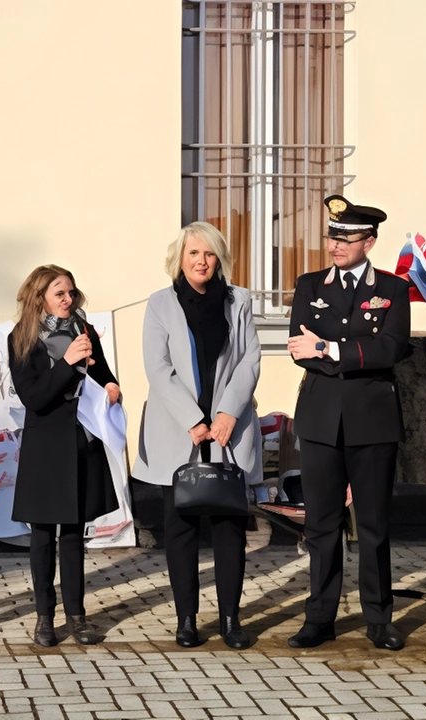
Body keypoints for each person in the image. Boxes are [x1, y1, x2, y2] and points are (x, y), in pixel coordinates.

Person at [286, 194, 412, 652]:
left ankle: (379, 618)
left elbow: (392, 348)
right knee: (321, 525)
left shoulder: (394, 290)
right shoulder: (310, 285)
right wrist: (343, 353)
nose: (336, 244)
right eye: (332, 235)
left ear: (369, 241)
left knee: (374, 525)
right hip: (320, 419)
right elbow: (300, 346)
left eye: (346, 237)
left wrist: (332, 350)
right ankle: (319, 617)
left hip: (373, 419)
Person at [134, 221, 261, 649]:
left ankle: (230, 620)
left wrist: (226, 414)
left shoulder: (239, 300)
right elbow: (158, 367)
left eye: (208, 254)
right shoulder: (160, 303)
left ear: (219, 258)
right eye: (193, 253)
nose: (201, 261)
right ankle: (186, 620)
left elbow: (249, 361)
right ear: (180, 258)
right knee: (181, 527)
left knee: (230, 528)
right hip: (179, 430)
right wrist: (193, 419)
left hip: (228, 431)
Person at [7, 265, 121, 646]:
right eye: (60, 294)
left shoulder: (84, 330)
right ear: (40, 297)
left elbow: (102, 371)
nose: (68, 300)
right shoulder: (22, 338)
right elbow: (34, 397)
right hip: (45, 447)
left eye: (71, 292)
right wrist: (67, 362)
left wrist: (111, 384)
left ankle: (77, 616)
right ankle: (44, 618)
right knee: (42, 536)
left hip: (80, 441)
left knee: (73, 534)